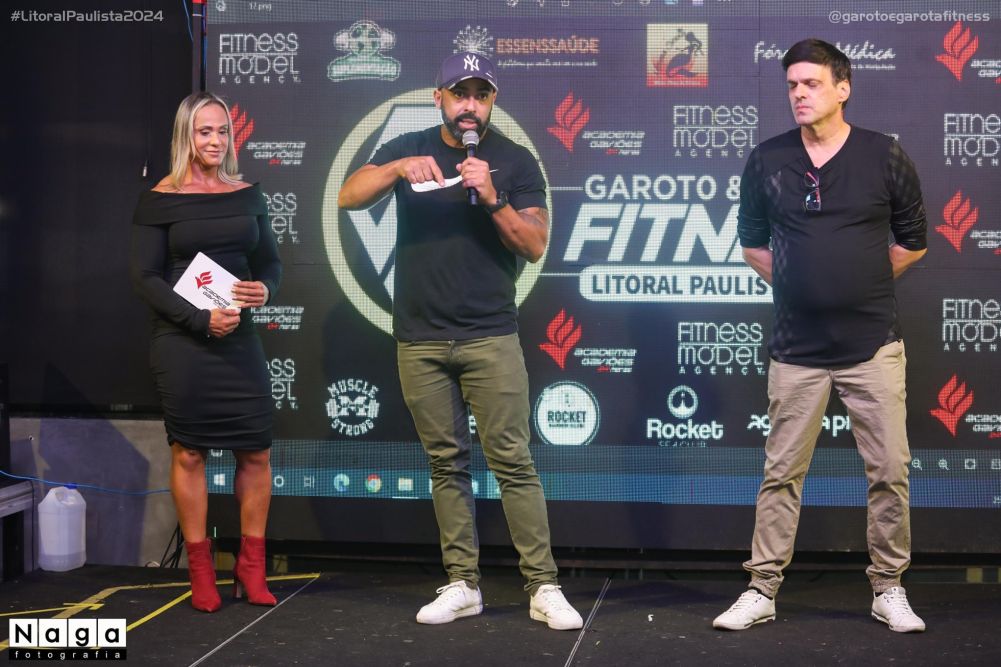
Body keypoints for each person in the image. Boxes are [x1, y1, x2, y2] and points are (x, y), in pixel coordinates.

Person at [338, 51, 583, 631]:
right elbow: (348, 196)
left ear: (492, 102)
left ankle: (543, 586)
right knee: (445, 465)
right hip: (420, 339)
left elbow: (535, 245)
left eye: (481, 94)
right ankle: (462, 584)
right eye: (459, 93)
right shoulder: (410, 146)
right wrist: (398, 168)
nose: (470, 105)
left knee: (513, 463)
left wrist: (493, 196)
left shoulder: (514, 160)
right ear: (439, 98)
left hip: (489, 335)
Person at [712, 39, 928, 633]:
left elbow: (913, 241)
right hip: (796, 347)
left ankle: (889, 588)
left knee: (889, 471)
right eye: (792, 85)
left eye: (811, 83)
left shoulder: (884, 155)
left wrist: (858, 281)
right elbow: (752, 243)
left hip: (872, 344)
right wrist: (801, 284)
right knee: (781, 473)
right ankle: (762, 588)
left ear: (843, 88)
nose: (799, 94)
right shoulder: (767, 159)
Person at [131, 91, 282, 612]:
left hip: (237, 337)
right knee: (190, 452)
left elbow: (271, 264)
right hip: (182, 339)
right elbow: (145, 277)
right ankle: (200, 571)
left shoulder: (247, 194)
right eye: (204, 131)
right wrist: (199, 319)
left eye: (222, 131)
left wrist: (265, 290)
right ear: (186, 136)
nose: (215, 140)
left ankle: (251, 567)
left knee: (256, 451)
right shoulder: (160, 198)